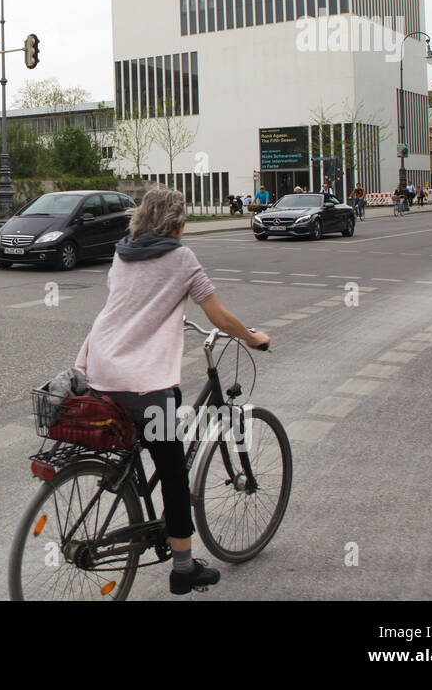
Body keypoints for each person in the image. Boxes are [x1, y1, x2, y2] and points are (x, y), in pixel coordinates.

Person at [73, 187, 269, 595]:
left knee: (151, 435)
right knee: (176, 476)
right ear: (178, 225)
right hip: (145, 383)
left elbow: (130, 305)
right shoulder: (182, 259)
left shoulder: (122, 253)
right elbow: (218, 317)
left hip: (100, 369)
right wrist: (252, 338)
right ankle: (183, 569)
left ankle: (133, 490)